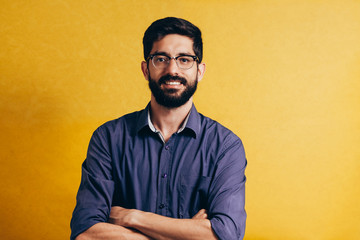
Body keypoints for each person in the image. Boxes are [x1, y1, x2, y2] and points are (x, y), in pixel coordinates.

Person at [70, 17, 247, 240]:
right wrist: (185, 233)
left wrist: (132, 217)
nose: (172, 69)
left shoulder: (225, 146)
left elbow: (227, 235)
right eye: (161, 59)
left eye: (184, 59)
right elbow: (85, 234)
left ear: (199, 71)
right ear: (146, 69)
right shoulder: (108, 138)